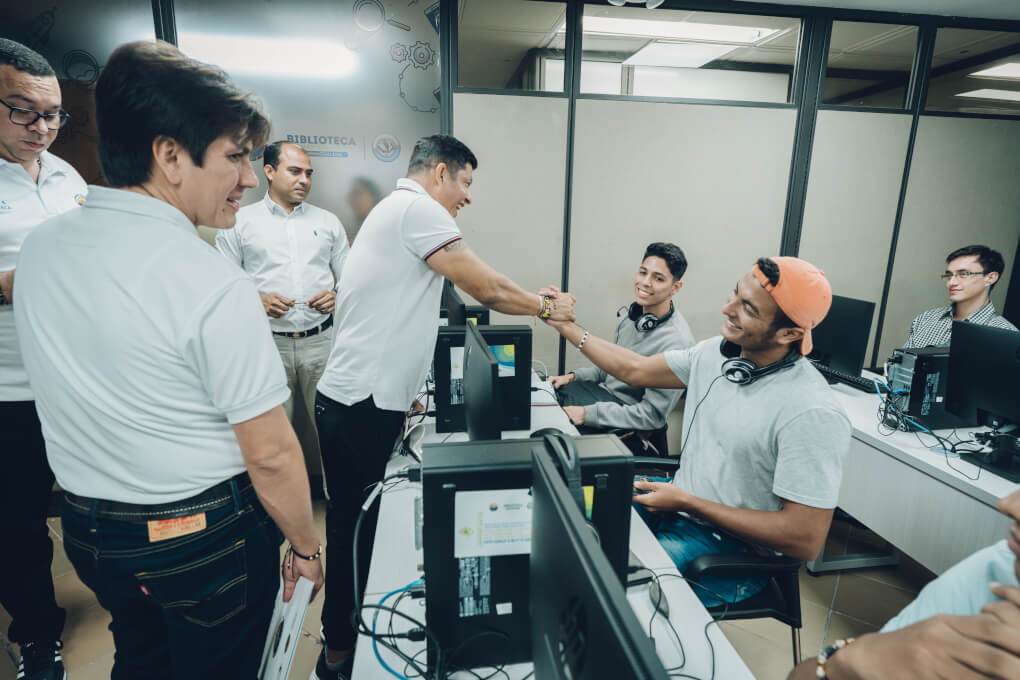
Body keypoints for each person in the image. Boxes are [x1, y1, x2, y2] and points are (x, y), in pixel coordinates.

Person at [14, 41, 323, 679]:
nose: (247, 177)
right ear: (170, 155)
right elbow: (269, 452)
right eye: (235, 156)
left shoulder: (41, 249)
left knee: (141, 656)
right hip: (195, 539)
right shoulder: (208, 281)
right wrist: (306, 545)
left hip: (89, 530)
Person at [311, 134, 575, 680]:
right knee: (352, 533)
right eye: (466, 182)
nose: (468, 197)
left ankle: (343, 642)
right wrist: (548, 306)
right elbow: (489, 288)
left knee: (356, 526)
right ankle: (338, 655)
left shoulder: (397, 211)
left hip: (363, 398)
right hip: (358, 405)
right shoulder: (417, 209)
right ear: (439, 174)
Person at [544, 256, 851, 607]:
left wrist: (689, 502)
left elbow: (805, 539)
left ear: (790, 334)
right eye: (734, 294)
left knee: (608, 589)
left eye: (747, 308)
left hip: (729, 551)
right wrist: (563, 324)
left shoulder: (812, 412)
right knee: (565, 513)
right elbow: (634, 369)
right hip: (677, 504)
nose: (727, 308)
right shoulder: (717, 355)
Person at [0, 37, 86, 680]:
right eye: (23, 111)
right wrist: (16, 282)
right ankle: (35, 634)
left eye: (53, 114)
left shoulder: (67, 177)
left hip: (73, 384)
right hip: (7, 388)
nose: (43, 128)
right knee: (19, 521)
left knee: (94, 501)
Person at [215, 140, 348, 478]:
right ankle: (271, 524)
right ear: (270, 171)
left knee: (335, 436)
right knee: (269, 440)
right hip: (266, 345)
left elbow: (350, 281)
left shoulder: (328, 222)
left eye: (309, 173)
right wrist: (255, 300)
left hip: (322, 343)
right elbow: (221, 283)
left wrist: (337, 294)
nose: (304, 179)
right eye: (295, 171)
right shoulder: (239, 221)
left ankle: (341, 517)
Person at [786, 487, 1020, 679]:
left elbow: (806, 540)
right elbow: (804, 675)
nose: (1008, 504)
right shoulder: (995, 569)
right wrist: (847, 664)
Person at [547, 242, 695, 454]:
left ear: (676, 287)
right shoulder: (631, 316)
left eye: (658, 278)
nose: (645, 282)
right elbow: (610, 369)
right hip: (601, 400)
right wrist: (572, 377)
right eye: (643, 273)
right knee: (547, 404)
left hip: (627, 426)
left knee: (556, 449)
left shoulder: (676, 343)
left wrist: (586, 414)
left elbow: (650, 416)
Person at [905, 244, 1017, 348]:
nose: (951, 282)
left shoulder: (1007, 335)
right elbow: (900, 366)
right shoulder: (926, 319)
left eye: (963, 274)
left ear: (990, 278)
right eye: (949, 275)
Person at [344, 175, 381, 242]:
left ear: (373, 196)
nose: (354, 200)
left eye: (358, 194)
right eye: (352, 195)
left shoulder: (385, 226)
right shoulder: (349, 231)